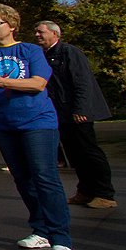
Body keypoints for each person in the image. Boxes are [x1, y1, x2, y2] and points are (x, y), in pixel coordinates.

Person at [0, 3, 75, 250]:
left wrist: (2, 81)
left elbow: (38, 83)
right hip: (3, 123)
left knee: (44, 176)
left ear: (12, 25)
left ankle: (61, 239)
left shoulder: (29, 50)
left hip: (37, 121)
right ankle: (40, 230)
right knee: (23, 178)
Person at [33, 20, 116, 209]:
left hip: (77, 112)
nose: (37, 35)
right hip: (61, 113)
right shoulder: (43, 56)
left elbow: (83, 82)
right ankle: (86, 191)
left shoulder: (69, 52)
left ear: (55, 34)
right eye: (35, 32)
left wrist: (81, 109)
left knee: (89, 151)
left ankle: (105, 194)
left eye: (41, 32)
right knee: (74, 153)